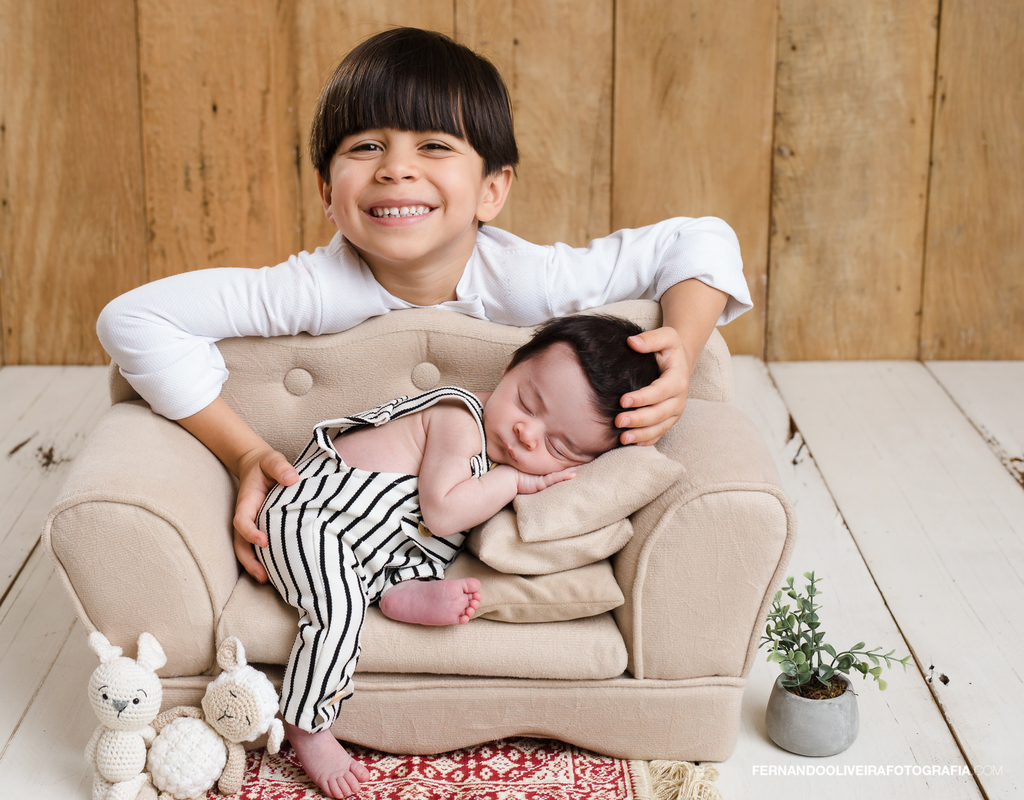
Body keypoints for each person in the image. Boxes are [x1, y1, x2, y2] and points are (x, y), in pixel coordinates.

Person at [97, 30, 748, 610]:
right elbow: (131, 320)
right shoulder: (311, 290)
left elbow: (701, 237)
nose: (396, 168)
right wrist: (246, 454)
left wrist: (682, 355)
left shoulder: (530, 283)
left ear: (492, 190)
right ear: (327, 193)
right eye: (366, 145)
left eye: (434, 145)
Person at [258, 314, 658, 798]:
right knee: (337, 610)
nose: (527, 434)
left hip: (370, 543)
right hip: (311, 516)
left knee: (422, 552)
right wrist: (512, 480)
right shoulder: (459, 418)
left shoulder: (499, 450)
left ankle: (398, 589)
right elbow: (443, 513)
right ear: (509, 369)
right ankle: (307, 721)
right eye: (527, 402)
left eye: (559, 445)